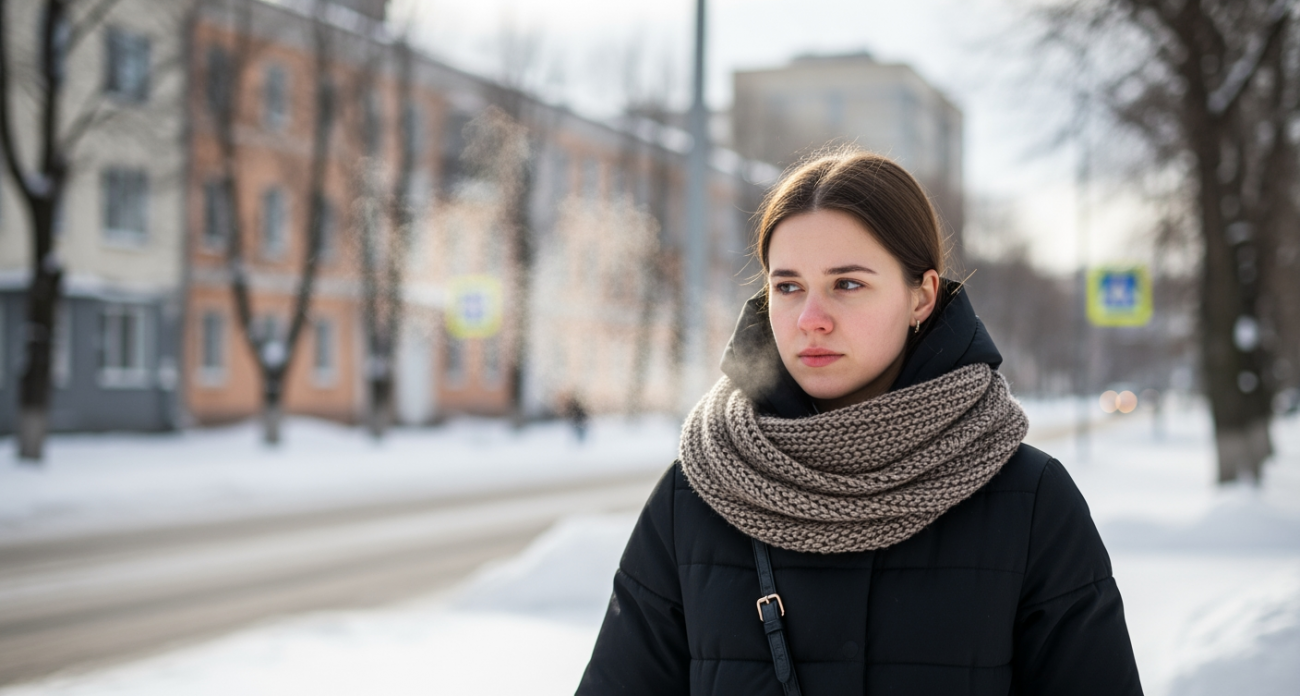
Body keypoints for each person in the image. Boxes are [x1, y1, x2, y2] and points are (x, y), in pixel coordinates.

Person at [576, 150, 1143, 695]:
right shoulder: (698, 493)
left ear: (921, 296)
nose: (810, 319)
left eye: (847, 284)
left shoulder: (1030, 501)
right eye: (788, 286)